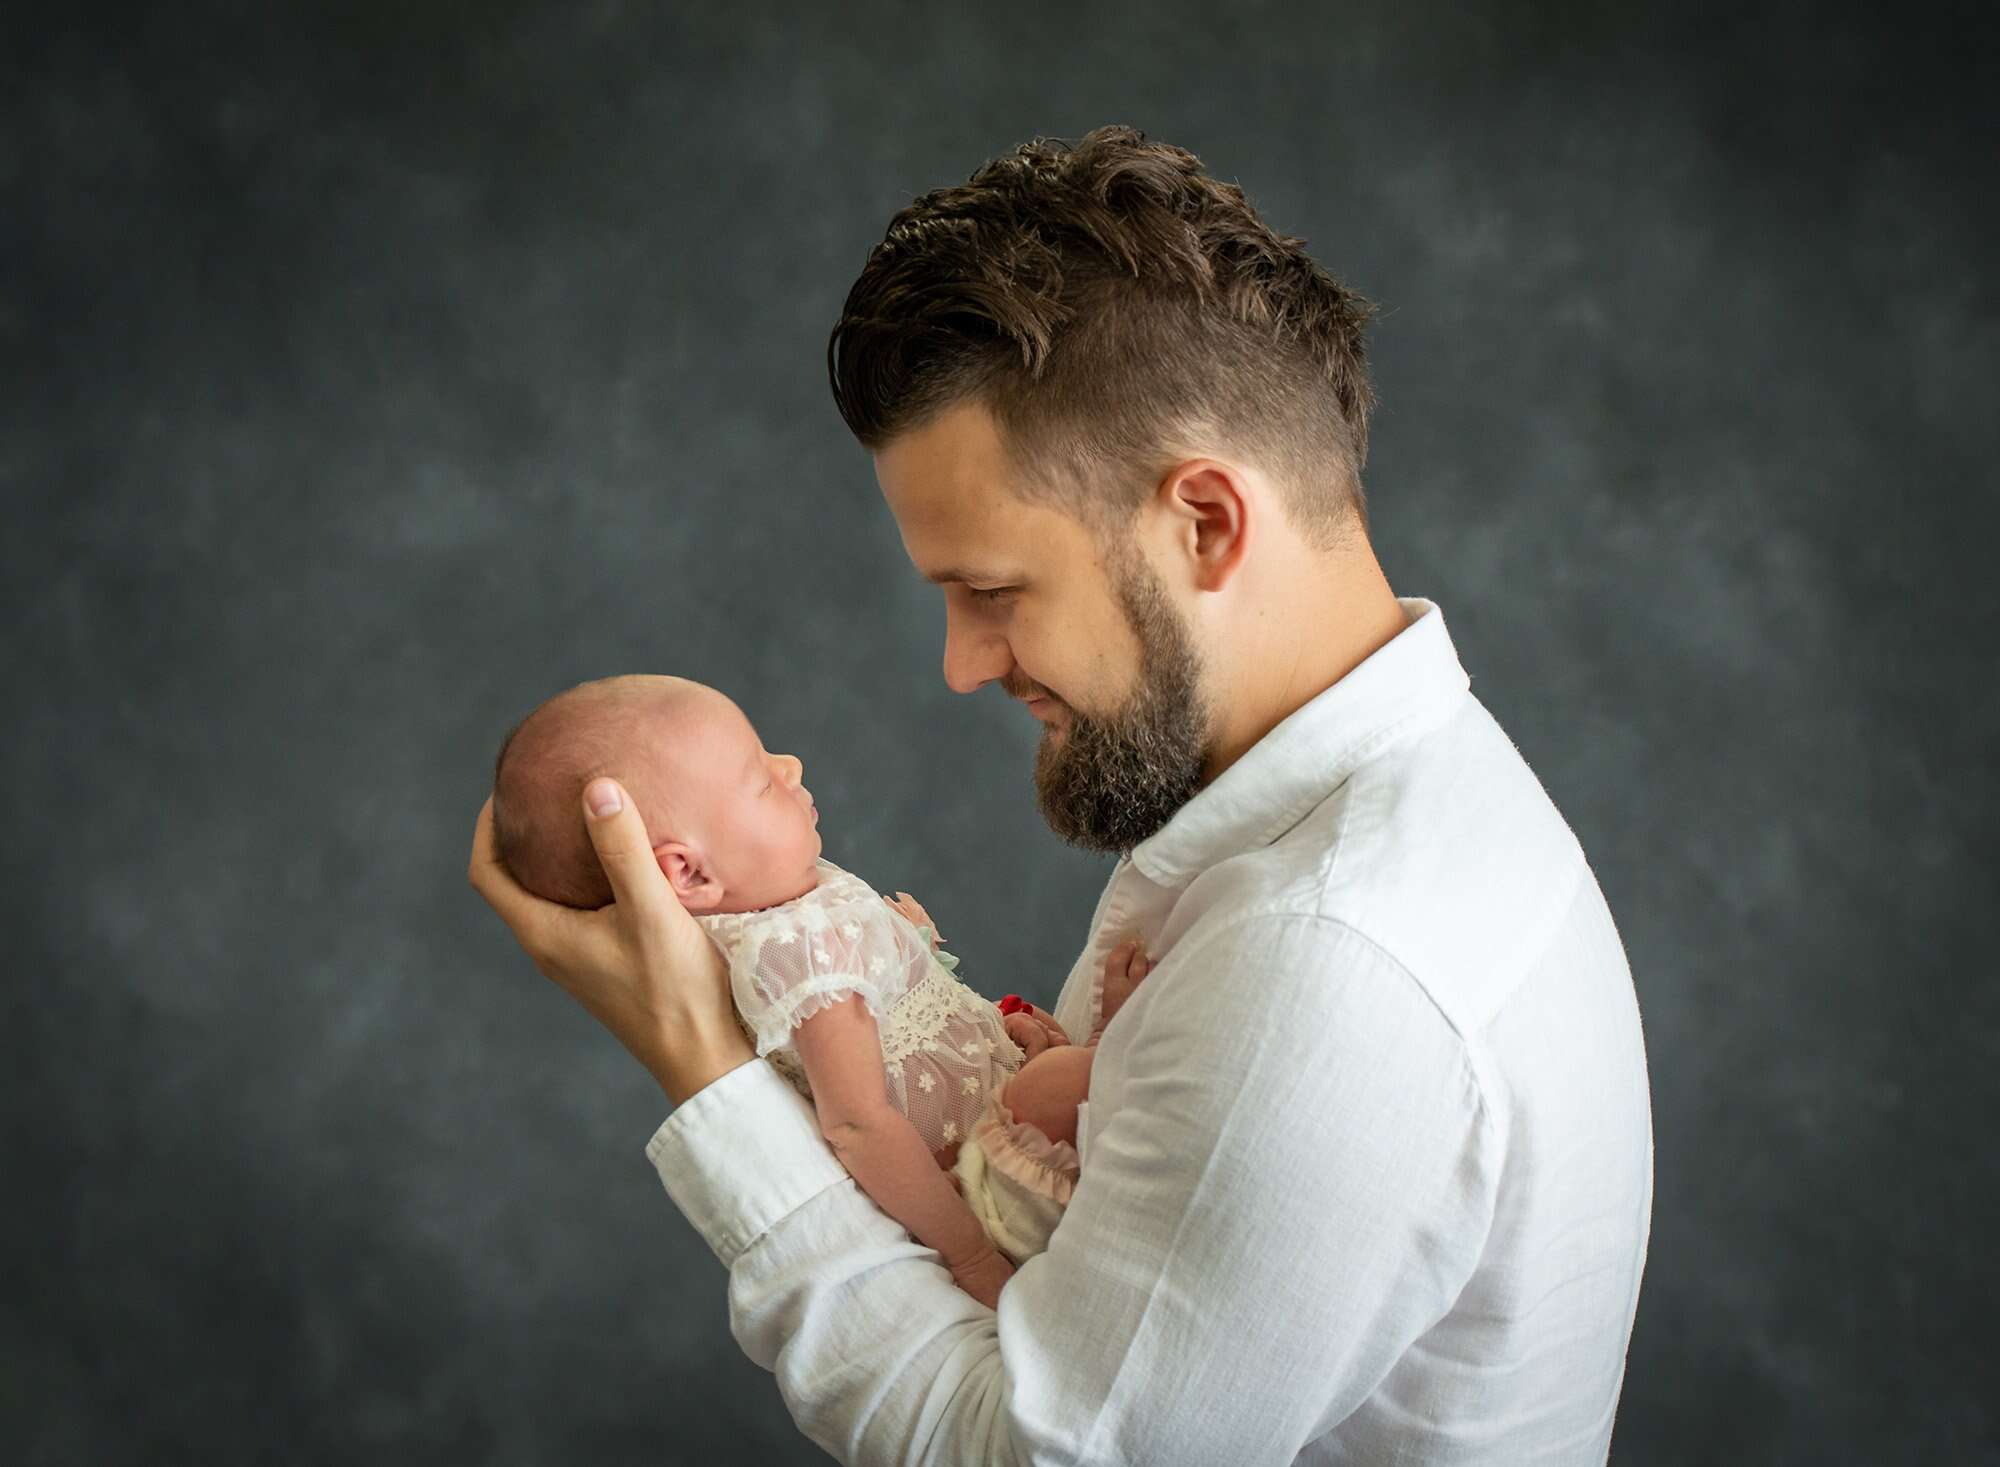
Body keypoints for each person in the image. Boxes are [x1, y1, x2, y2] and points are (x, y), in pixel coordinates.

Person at [469, 125, 1654, 1464]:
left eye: (994, 593)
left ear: (1206, 522)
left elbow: (1029, 1451)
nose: (964, 665)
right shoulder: (1340, 824)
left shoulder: (1329, 965)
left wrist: (704, 1065)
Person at [483, 673, 1147, 1307]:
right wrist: (972, 1259)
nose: (791, 764)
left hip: (991, 1110)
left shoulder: (788, 906)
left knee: (1050, 1068)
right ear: (685, 872)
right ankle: (1117, 1059)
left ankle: (1089, 1070)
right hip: (981, 1189)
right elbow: (861, 1125)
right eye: (759, 779)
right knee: (1068, 1084)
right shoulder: (797, 955)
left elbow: (900, 1021)